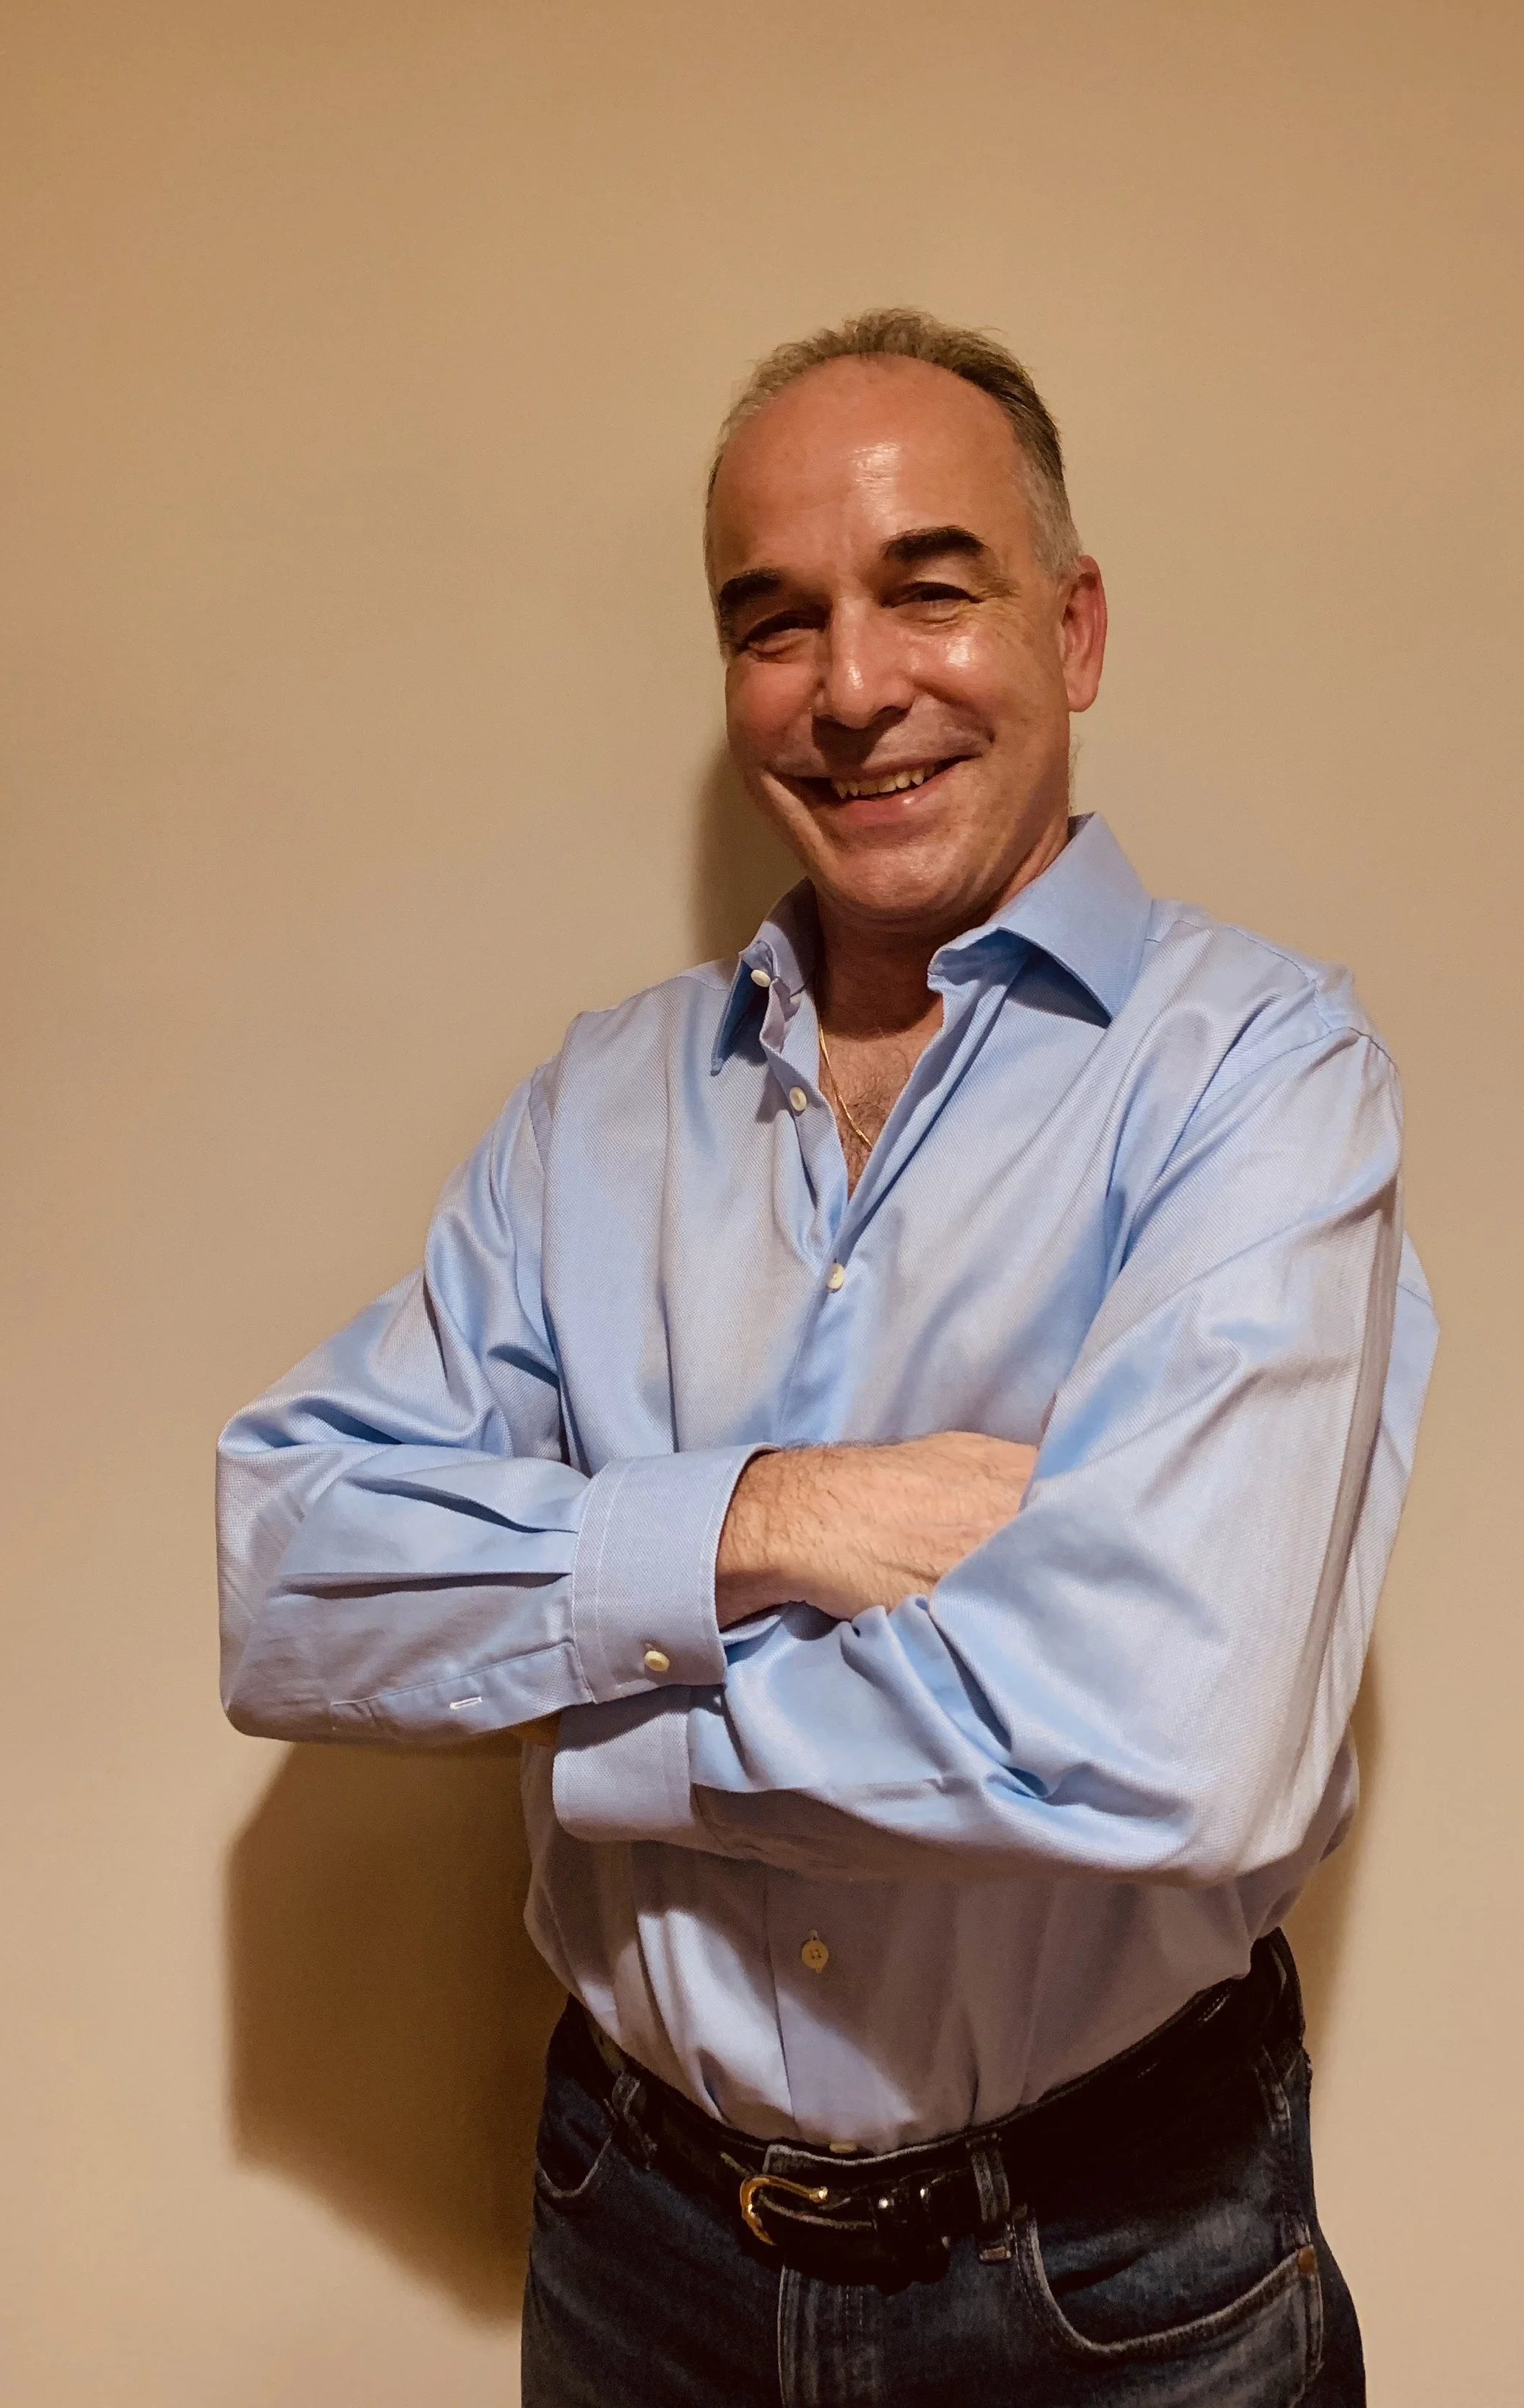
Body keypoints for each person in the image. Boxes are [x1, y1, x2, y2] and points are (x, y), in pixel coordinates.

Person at [218, 308, 1436, 2407]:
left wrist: (599, 1713)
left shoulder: (1256, 1074)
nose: (852, 686)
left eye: (926, 589)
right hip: (641, 2243)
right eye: (769, 621)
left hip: (1114, 2267)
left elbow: (1176, 1734)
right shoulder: (592, 1114)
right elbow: (285, 1579)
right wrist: (780, 1520)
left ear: (1072, 626)